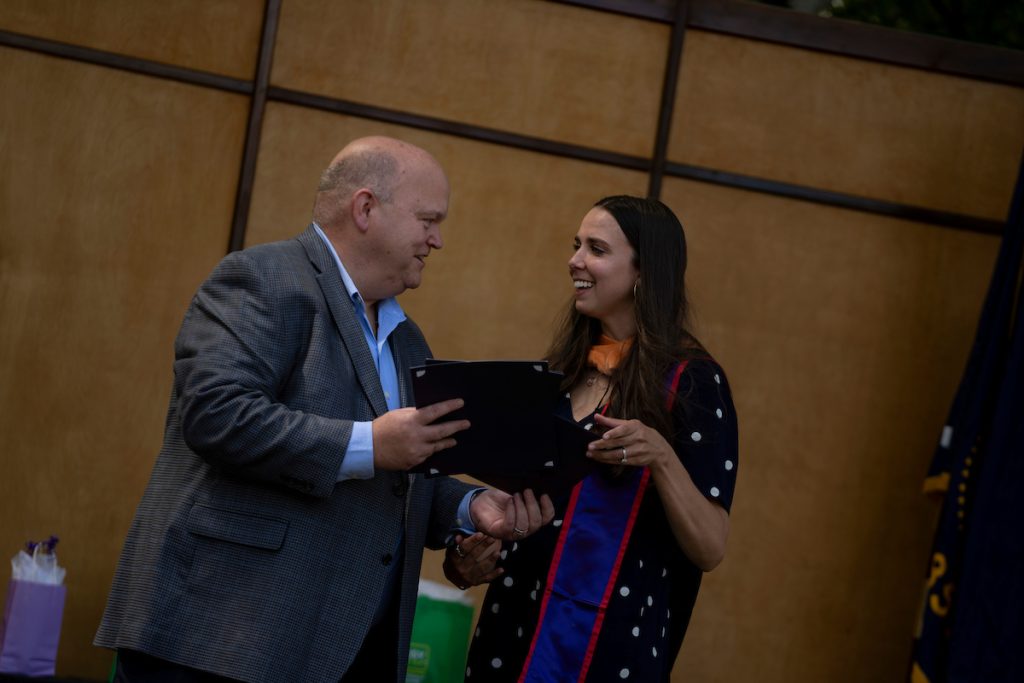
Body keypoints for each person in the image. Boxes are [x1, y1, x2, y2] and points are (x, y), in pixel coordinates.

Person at [94, 136, 553, 683]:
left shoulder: (410, 342)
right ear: (365, 209)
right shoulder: (262, 278)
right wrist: (371, 444)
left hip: (341, 654)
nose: (438, 240)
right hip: (219, 639)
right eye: (428, 220)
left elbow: (393, 476)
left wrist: (472, 507)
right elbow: (216, 415)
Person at [452, 195, 739, 682]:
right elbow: (532, 508)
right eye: (576, 245)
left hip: (607, 645)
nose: (575, 261)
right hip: (513, 630)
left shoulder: (691, 382)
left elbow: (710, 547)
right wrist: (471, 561)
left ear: (644, 271)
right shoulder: (562, 373)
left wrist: (661, 457)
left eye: (597, 249)